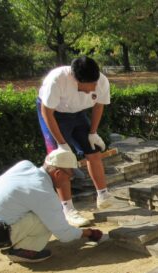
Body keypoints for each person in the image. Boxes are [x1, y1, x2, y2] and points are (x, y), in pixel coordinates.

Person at [0, 149, 105, 263]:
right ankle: (21, 251)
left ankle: (15, 240)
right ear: (57, 174)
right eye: (70, 177)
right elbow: (65, 235)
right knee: (47, 219)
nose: (70, 180)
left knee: (40, 212)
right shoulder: (43, 192)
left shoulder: (24, 166)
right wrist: (90, 233)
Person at [37, 55, 112, 227]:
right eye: (89, 85)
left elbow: (99, 106)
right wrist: (62, 145)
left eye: (95, 83)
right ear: (75, 79)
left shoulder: (101, 81)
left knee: (93, 151)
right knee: (61, 161)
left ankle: (103, 195)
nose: (93, 88)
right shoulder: (57, 80)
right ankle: (68, 209)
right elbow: (47, 112)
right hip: (54, 114)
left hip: (78, 114)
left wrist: (93, 132)